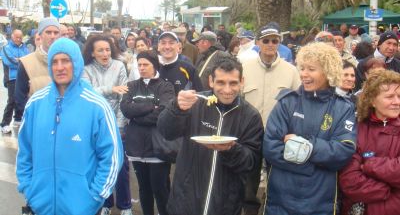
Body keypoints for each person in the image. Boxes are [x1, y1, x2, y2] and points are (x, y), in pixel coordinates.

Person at [16, 37, 123, 215]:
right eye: (54, 62)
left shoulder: (97, 106)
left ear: (77, 63)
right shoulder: (35, 103)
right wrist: (29, 189)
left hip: (83, 208)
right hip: (39, 206)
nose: (59, 67)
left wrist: (95, 196)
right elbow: (24, 152)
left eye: (65, 60)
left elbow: (112, 157)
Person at [157, 55, 264, 215]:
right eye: (221, 82)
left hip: (226, 205)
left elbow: (251, 163)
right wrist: (176, 108)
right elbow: (166, 132)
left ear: (242, 82)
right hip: (185, 201)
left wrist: (231, 149)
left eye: (233, 83)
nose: (227, 90)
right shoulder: (195, 103)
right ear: (211, 81)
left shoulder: (251, 116)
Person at [263, 42, 357, 215]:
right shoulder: (287, 102)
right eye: (302, 68)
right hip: (281, 200)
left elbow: (343, 151)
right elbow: (271, 148)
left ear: (328, 71)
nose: (304, 74)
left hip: (321, 202)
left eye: (311, 69)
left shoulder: (343, 108)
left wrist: (303, 145)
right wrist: (314, 165)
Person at [241, 24, 301, 215]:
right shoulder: (243, 67)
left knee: (278, 180)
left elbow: (298, 105)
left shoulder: (291, 71)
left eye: (274, 40)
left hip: (279, 137)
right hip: (249, 135)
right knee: (248, 183)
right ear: (258, 42)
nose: (270, 44)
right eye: (266, 40)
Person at [82, 34, 132, 215]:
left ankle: (126, 205)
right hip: (95, 124)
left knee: (121, 165)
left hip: (117, 122)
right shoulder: (86, 69)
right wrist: (109, 89)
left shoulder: (119, 66)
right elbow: (88, 93)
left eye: (108, 50)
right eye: (100, 50)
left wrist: (119, 126)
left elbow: (123, 96)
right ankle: (106, 203)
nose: (105, 53)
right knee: (100, 165)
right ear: (92, 53)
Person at [120, 50, 175, 215]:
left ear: (154, 65)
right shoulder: (131, 86)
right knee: (144, 189)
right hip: (136, 146)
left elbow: (164, 112)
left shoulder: (166, 86)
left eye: (146, 64)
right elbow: (125, 109)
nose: (142, 68)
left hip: (158, 146)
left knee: (160, 188)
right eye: (139, 65)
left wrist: (137, 116)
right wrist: (151, 106)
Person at [339, 70, 400, 215]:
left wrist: (370, 165)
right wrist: (385, 189)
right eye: (390, 96)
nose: (397, 101)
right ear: (372, 100)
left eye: (399, 96)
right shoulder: (355, 129)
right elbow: (349, 180)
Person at [15, 17, 60, 113]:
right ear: (40, 35)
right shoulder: (26, 63)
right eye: (48, 32)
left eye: (56, 33)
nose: (52, 36)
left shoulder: (69, 61)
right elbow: (20, 98)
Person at [0, 29, 29, 134]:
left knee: (22, 99)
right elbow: (10, 62)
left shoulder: (25, 47)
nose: (19, 39)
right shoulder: (5, 48)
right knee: (12, 100)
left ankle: (17, 119)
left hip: (23, 77)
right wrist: (21, 60)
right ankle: (4, 124)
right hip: (11, 78)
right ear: (12, 37)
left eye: (20, 37)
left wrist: (19, 59)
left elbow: (28, 60)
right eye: (17, 37)